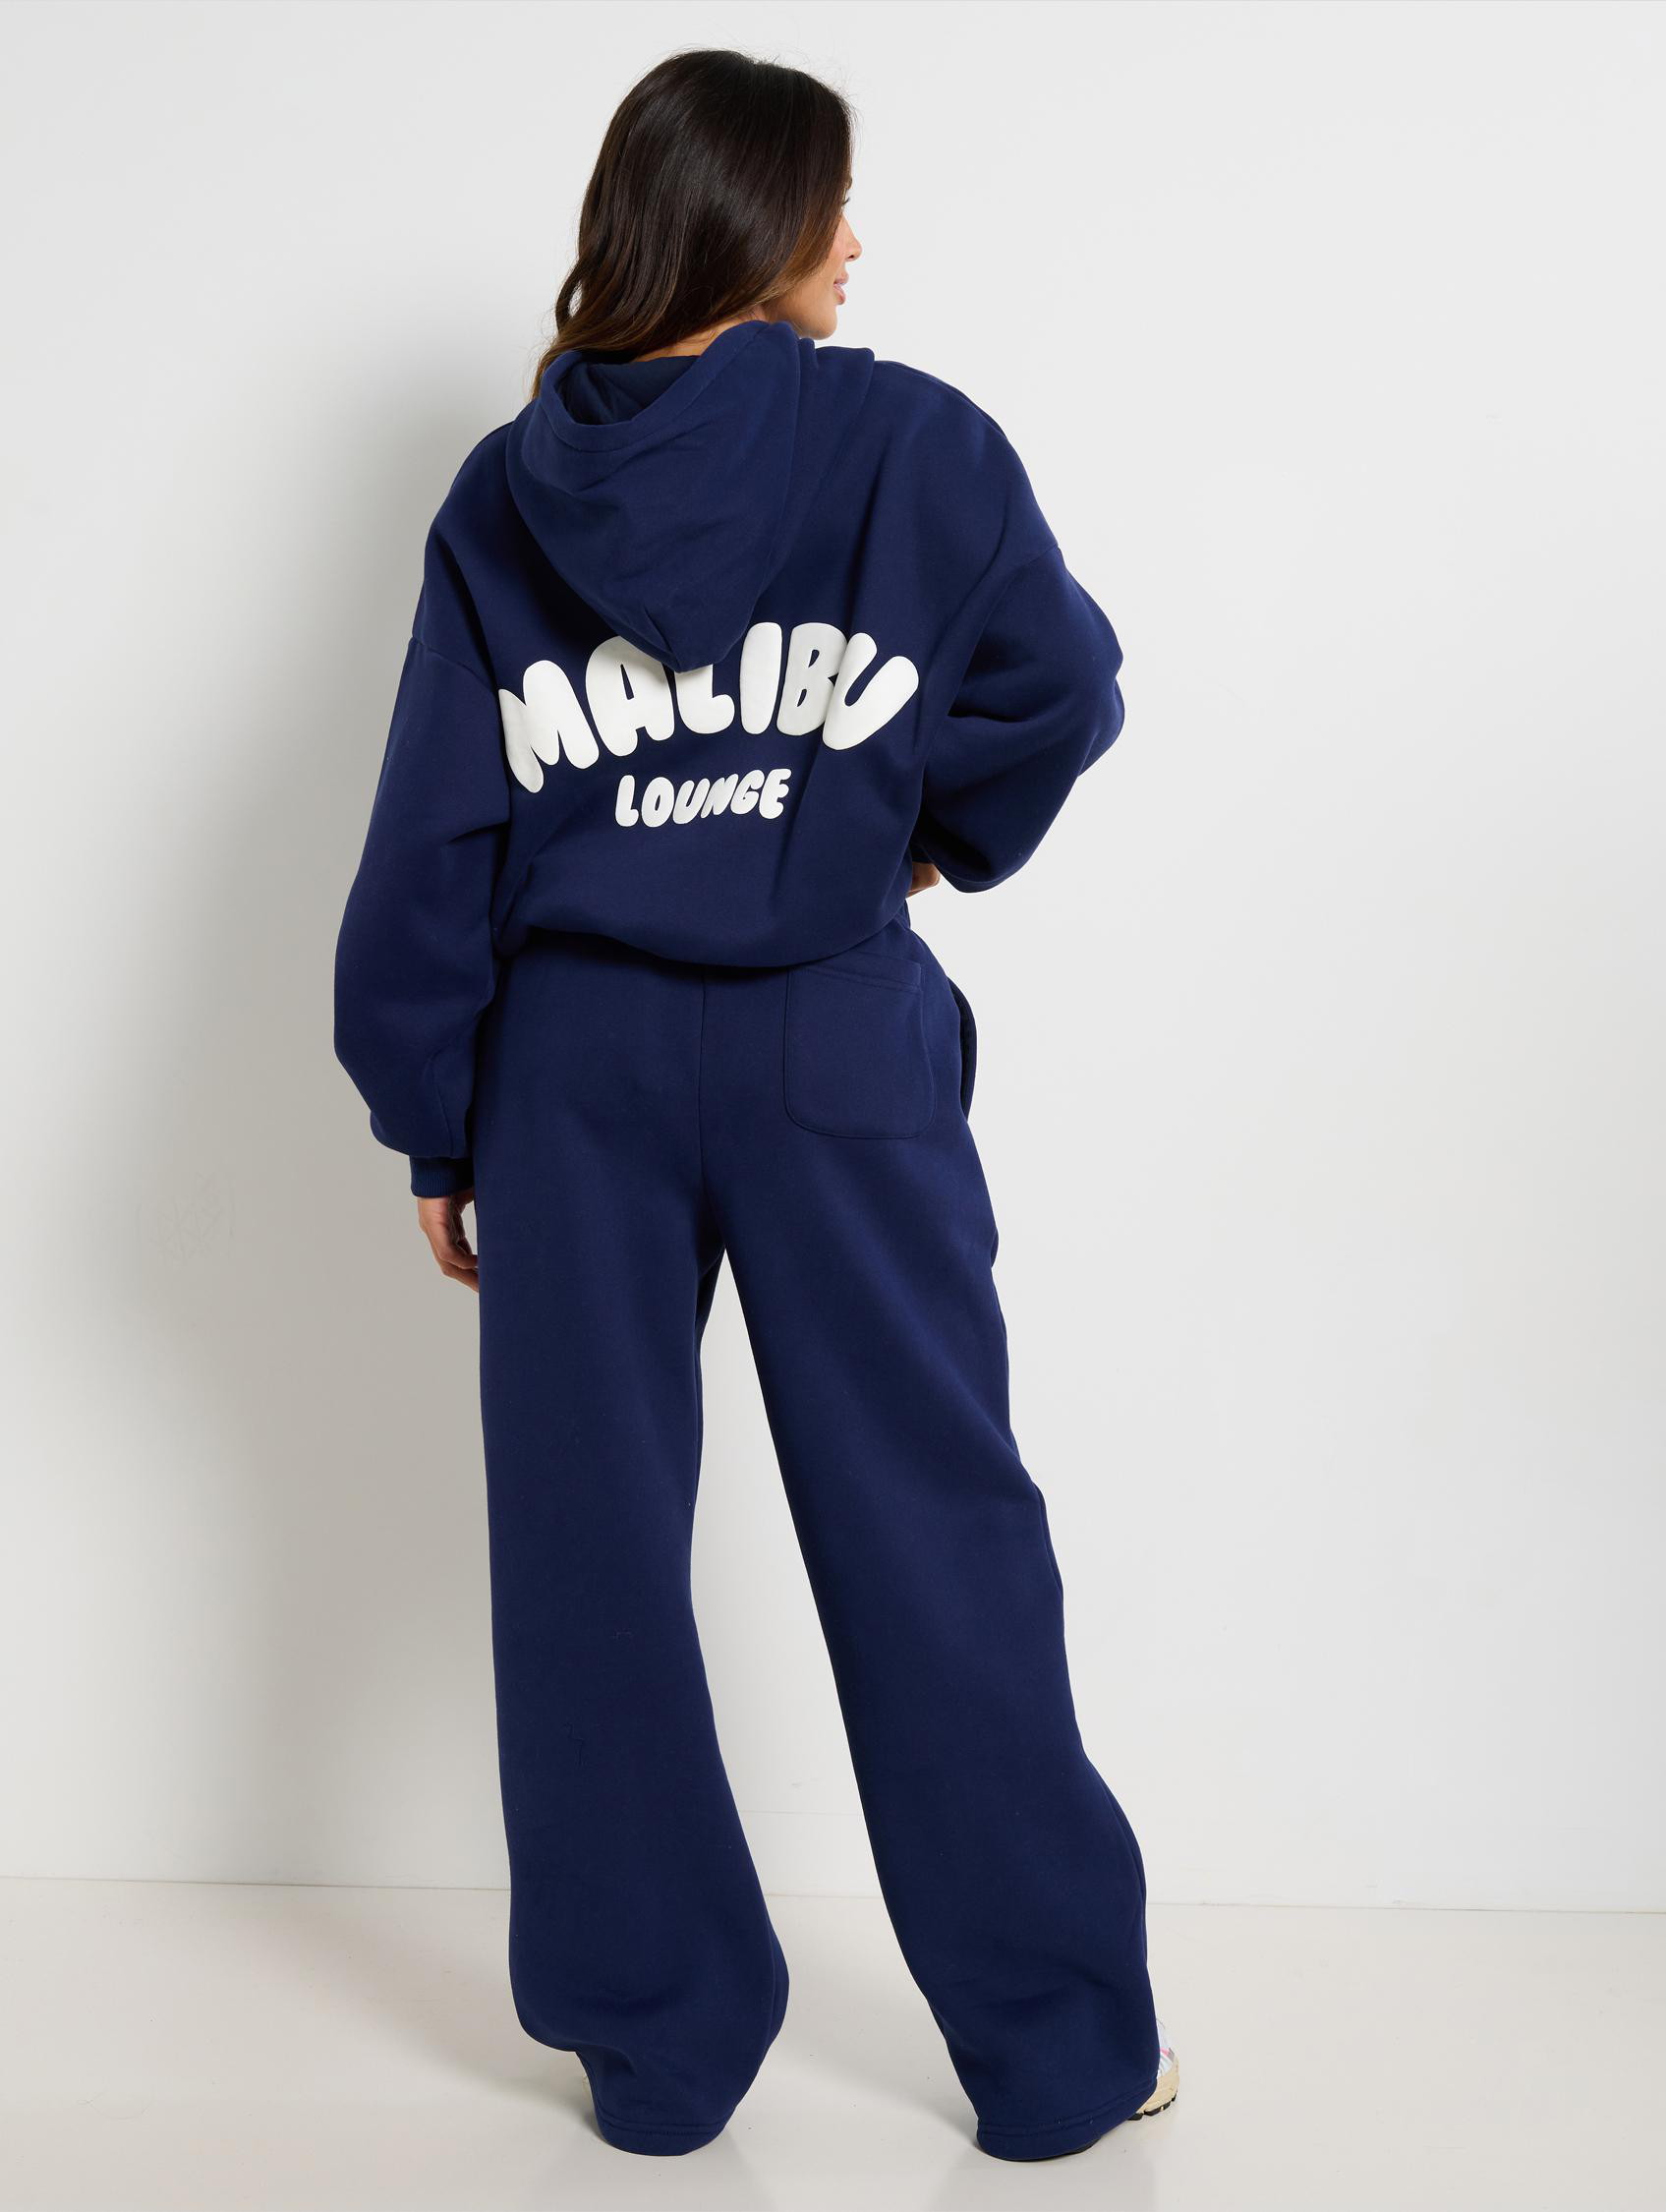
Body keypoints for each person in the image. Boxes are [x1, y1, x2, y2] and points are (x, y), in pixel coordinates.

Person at [332, 44, 1176, 2165]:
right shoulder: (909, 442)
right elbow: (1064, 686)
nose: (856, 243)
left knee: (588, 1555)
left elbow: (438, 828)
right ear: (757, 218)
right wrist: (911, 831)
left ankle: (657, 2051)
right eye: (833, 203)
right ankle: (1060, 2053)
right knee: (936, 1527)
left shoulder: (506, 488)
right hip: (830, 1042)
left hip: (571, 1071)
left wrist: (437, 1112)